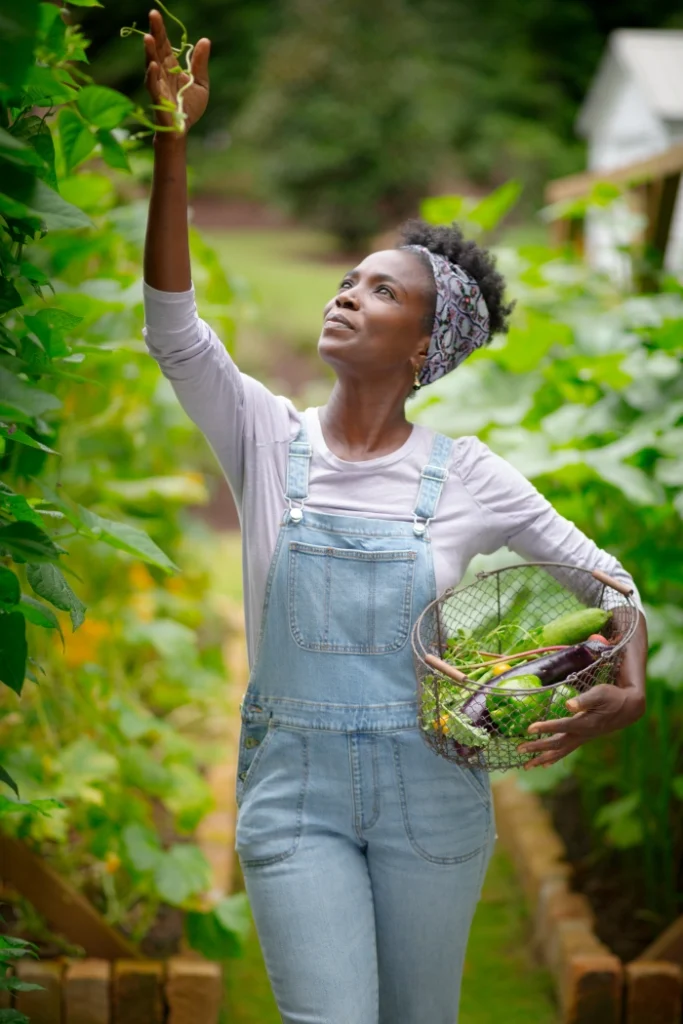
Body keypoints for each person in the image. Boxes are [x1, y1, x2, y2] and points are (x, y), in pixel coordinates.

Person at [141, 11, 648, 1022]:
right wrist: (172, 142)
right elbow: (173, 330)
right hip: (293, 795)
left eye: (379, 291)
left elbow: (610, 586)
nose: (346, 295)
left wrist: (625, 672)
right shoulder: (262, 437)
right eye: (345, 280)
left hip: (433, 796)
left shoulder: (468, 476)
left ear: (424, 346)